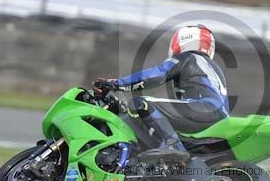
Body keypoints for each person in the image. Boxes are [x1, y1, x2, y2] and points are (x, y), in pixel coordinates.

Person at [93, 25, 229, 163]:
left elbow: (156, 75)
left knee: (142, 103)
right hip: (218, 117)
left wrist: (116, 84)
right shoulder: (214, 68)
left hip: (203, 109)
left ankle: (172, 146)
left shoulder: (187, 57)